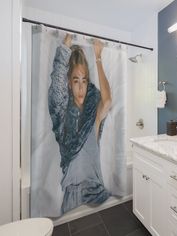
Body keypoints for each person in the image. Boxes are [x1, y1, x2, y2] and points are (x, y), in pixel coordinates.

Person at [48, 34, 112, 213]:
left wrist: (98, 58)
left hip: (96, 191)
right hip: (72, 195)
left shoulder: (94, 114)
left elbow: (107, 102)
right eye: (76, 81)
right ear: (69, 82)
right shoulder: (62, 116)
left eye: (84, 80)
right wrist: (64, 50)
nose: (81, 87)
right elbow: (56, 94)